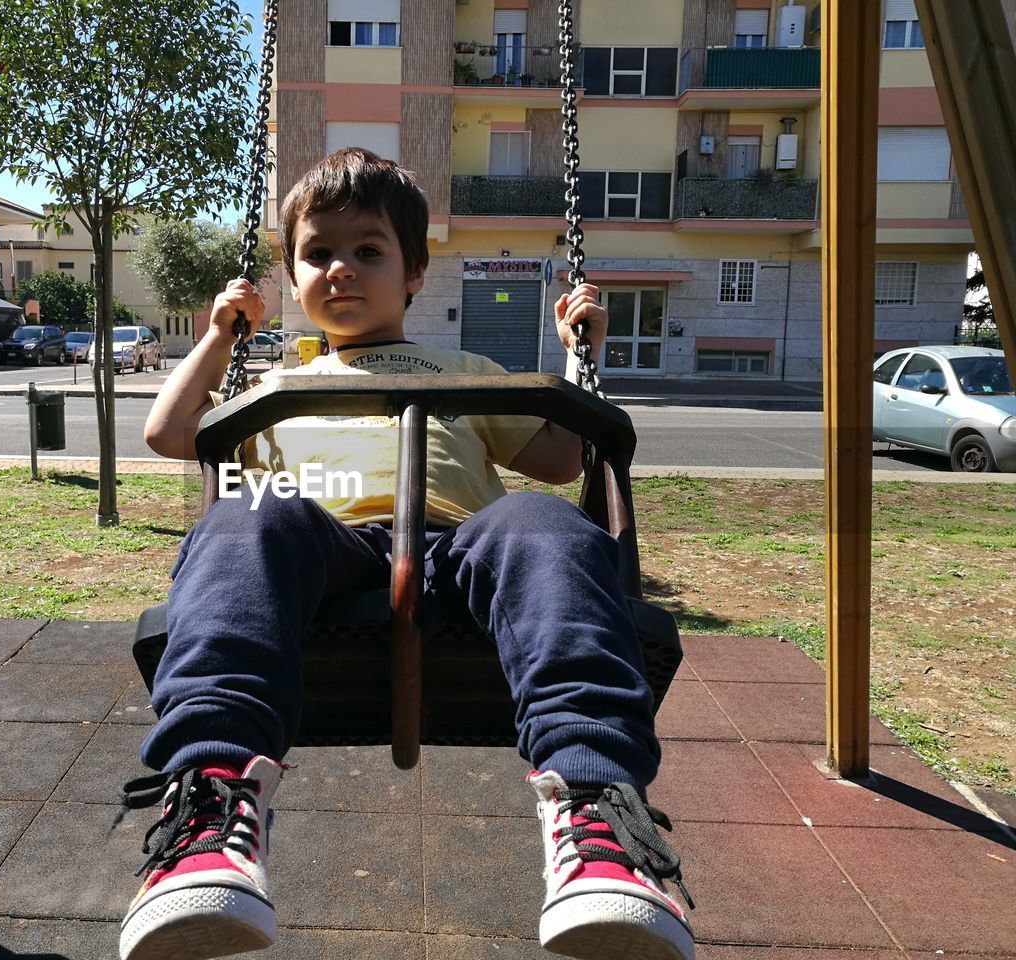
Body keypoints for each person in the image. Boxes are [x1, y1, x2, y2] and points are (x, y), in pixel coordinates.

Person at [119, 148, 694, 960]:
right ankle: (210, 813)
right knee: (244, 517)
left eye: (368, 250)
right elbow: (171, 433)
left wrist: (576, 354)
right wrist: (222, 336)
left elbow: (563, 459)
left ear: (415, 271)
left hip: (464, 547)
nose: (341, 269)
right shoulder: (275, 378)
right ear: (290, 272)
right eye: (317, 253)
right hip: (324, 552)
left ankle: (598, 814)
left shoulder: (464, 369)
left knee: (542, 520)